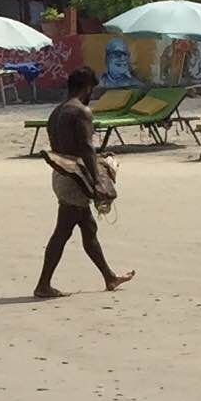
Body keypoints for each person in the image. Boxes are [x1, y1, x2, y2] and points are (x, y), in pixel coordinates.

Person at [35, 68, 133, 299]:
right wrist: (98, 180)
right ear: (87, 86)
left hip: (61, 173)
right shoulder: (81, 111)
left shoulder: (56, 112)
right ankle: (43, 285)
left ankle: (109, 276)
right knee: (62, 231)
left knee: (88, 228)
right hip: (75, 178)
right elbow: (87, 148)